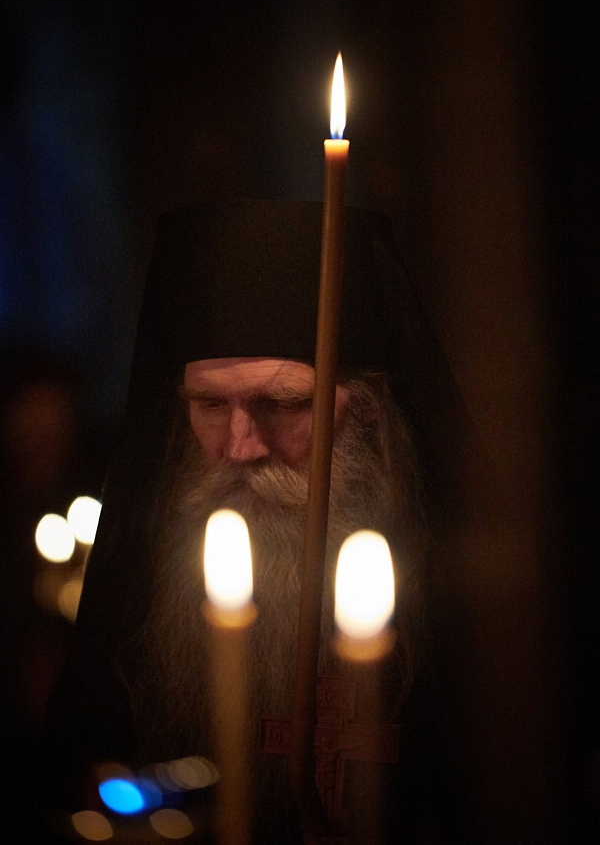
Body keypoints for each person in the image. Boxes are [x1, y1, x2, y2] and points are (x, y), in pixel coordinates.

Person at [42, 200, 470, 843]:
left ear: (370, 410)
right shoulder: (132, 606)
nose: (241, 446)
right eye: (211, 406)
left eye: (284, 403)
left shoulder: (478, 607)